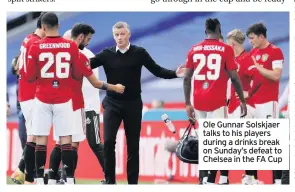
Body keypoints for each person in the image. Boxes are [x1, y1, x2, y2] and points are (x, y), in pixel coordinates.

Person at [90, 21, 185, 184]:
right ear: (113, 36)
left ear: (129, 35)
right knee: (108, 142)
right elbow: (85, 66)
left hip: (133, 104)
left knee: (133, 146)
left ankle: (132, 184)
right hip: (112, 103)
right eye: (116, 35)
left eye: (122, 34)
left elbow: (157, 70)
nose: (119, 38)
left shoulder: (139, 53)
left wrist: (175, 74)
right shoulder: (106, 54)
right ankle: (110, 181)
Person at [48, 24, 124, 184]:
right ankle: (65, 177)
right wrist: (114, 87)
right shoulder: (82, 56)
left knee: (82, 143)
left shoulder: (80, 56)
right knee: (71, 143)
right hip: (79, 105)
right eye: (88, 39)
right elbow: (94, 82)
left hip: (85, 106)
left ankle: (60, 177)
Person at [183, 18, 247, 185]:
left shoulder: (194, 49)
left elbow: (187, 78)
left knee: (205, 141)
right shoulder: (226, 50)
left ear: (205, 32)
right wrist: (242, 101)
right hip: (218, 101)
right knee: (217, 141)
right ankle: (211, 180)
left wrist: (187, 104)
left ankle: (204, 179)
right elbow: (234, 78)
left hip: (198, 101)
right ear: (219, 31)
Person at [10, 12, 47, 184]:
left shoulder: (27, 39)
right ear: (45, 27)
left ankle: (24, 174)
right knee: (36, 136)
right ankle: (25, 174)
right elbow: (34, 72)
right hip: (32, 95)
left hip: (25, 94)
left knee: (34, 135)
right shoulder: (36, 43)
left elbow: (18, 66)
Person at [247, 22, 284, 185]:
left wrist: (258, 66)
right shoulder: (253, 52)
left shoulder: (276, 51)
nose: (250, 42)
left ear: (262, 36)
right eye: (248, 39)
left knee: (271, 142)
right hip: (253, 103)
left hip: (269, 102)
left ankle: (276, 181)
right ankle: (253, 179)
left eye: (252, 38)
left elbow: (276, 76)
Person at [226, 29, 263, 185]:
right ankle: (250, 178)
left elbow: (259, 78)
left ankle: (250, 178)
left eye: (228, 45)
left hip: (244, 108)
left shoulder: (246, 59)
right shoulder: (234, 60)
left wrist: (248, 93)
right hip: (234, 107)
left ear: (233, 44)